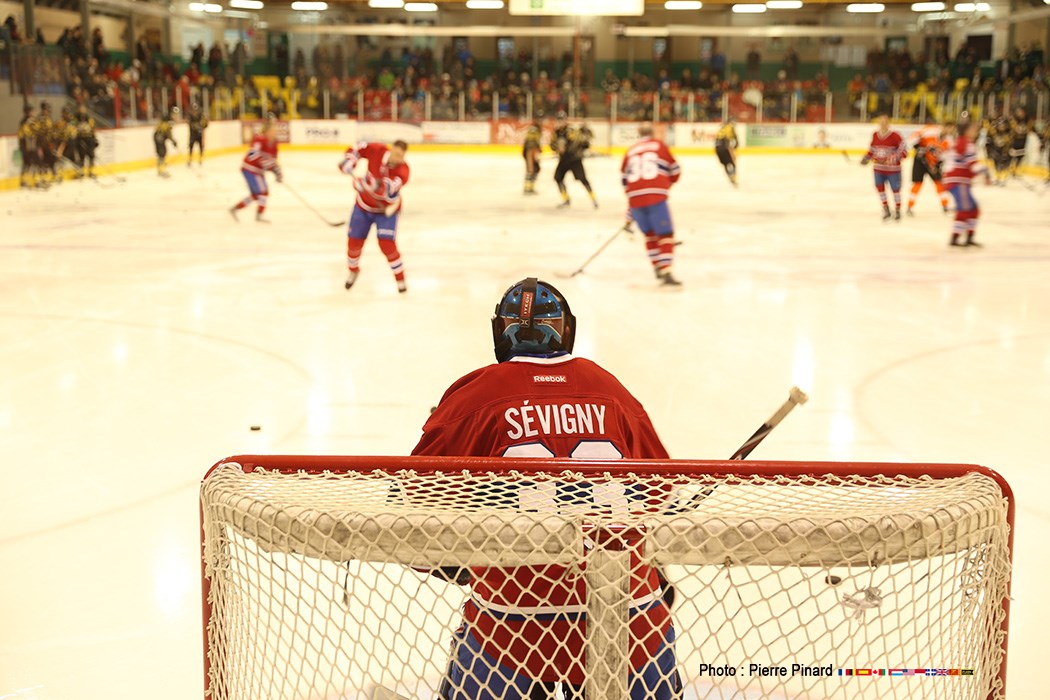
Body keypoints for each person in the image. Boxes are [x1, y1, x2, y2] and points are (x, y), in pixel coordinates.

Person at [413, 277, 680, 700]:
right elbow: (661, 495)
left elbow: (414, 518)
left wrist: (457, 562)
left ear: (501, 332)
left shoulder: (476, 395)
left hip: (513, 621)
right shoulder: (611, 389)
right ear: (566, 329)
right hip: (633, 617)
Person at [338, 140, 411, 293]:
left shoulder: (403, 170)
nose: (399, 159)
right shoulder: (377, 150)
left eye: (402, 156)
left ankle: (400, 278)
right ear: (392, 150)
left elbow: (389, 188)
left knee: (387, 244)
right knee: (354, 243)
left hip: (387, 211)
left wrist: (366, 185)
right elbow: (358, 147)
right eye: (397, 154)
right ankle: (353, 270)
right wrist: (350, 159)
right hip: (363, 206)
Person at [622, 123, 683, 287]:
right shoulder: (659, 146)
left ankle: (656, 265)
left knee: (649, 234)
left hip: (635, 199)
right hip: (655, 197)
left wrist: (631, 209)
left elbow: (625, 181)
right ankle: (666, 270)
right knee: (665, 235)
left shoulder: (630, 151)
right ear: (653, 133)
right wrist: (664, 185)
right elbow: (676, 171)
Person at [942, 112, 990, 248]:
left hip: (958, 181)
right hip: (958, 181)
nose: (976, 131)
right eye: (974, 129)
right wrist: (986, 172)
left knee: (974, 209)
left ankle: (968, 237)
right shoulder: (967, 144)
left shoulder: (961, 142)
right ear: (967, 130)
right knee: (965, 209)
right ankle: (955, 238)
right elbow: (972, 165)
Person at [230, 119, 282, 222]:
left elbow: (273, 160)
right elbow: (252, 155)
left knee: (256, 195)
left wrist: (277, 171)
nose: (275, 131)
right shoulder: (259, 139)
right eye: (273, 129)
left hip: (258, 171)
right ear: (267, 131)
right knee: (263, 192)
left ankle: (235, 209)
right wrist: (267, 165)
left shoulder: (275, 143)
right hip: (250, 169)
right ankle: (259, 216)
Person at [860, 114, 907, 221]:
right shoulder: (875, 135)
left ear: (888, 123)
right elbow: (872, 150)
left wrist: (893, 158)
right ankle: (886, 209)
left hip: (893, 170)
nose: (883, 124)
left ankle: (898, 210)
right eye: (881, 122)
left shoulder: (895, 135)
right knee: (880, 189)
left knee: (896, 190)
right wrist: (866, 157)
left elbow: (904, 151)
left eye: (885, 122)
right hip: (878, 169)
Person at [551, 114, 597, 209]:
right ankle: (566, 199)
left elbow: (577, 142)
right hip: (563, 160)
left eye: (562, 120)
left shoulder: (571, 130)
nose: (560, 123)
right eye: (559, 121)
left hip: (574, 160)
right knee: (558, 178)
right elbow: (552, 144)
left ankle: (593, 198)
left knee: (582, 179)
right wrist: (557, 148)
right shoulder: (556, 132)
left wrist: (566, 148)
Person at [906, 120, 950, 215]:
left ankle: (945, 206)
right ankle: (909, 207)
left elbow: (944, 157)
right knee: (917, 184)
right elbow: (912, 138)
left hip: (933, 164)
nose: (949, 131)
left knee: (939, 183)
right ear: (943, 127)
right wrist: (918, 147)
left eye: (951, 129)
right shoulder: (931, 131)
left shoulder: (948, 142)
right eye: (948, 128)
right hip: (920, 162)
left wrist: (937, 166)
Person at [74, 105, 98, 178]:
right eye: (80, 109)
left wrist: (94, 139)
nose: (82, 110)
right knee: (81, 155)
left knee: (91, 155)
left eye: (83, 109)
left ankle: (91, 171)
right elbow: (73, 127)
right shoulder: (75, 119)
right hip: (80, 138)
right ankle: (81, 172)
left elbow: (92, 129)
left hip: (89, 138)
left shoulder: (89, 119)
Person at [153, 108, 178, 177]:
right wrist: (173, 141)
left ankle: (160, 170)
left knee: (161, 154)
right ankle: (161, 170)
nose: (176, 116)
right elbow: (168, 132)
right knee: (162, 153)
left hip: (158, 136)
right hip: (159, 137)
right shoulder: (169, 121)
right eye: (175, 114)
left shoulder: (167, 119)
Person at [714, 119, 739, 186]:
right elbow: (733, 141)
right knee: (732, 163)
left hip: (717, 148)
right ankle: (734, 177)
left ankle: (730, 177)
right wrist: (734, 151)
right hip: (724, 147)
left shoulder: (722, 128)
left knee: (725, 164)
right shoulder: (730, 127)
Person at [522, 121, 542, 195]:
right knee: (531, 170)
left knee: (534, 169)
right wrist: (538, 151)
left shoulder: (532, 130)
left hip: (530, 152)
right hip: (531, 152)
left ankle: (529, 186)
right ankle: (528, 187)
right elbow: (534, 143)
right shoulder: (535, 131)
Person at [187, 102, 209, 167]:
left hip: (200, 135)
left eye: (195, 110)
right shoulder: (190, 117)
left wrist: (204, 125)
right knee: (191, 147)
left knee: (201, 146)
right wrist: (198, 127)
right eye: (193, 110)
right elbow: (191, 125)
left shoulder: (201, 116)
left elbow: (205, 124)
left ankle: (200, 159)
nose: (194, 112)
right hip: (193, 134)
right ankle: (190, 159)